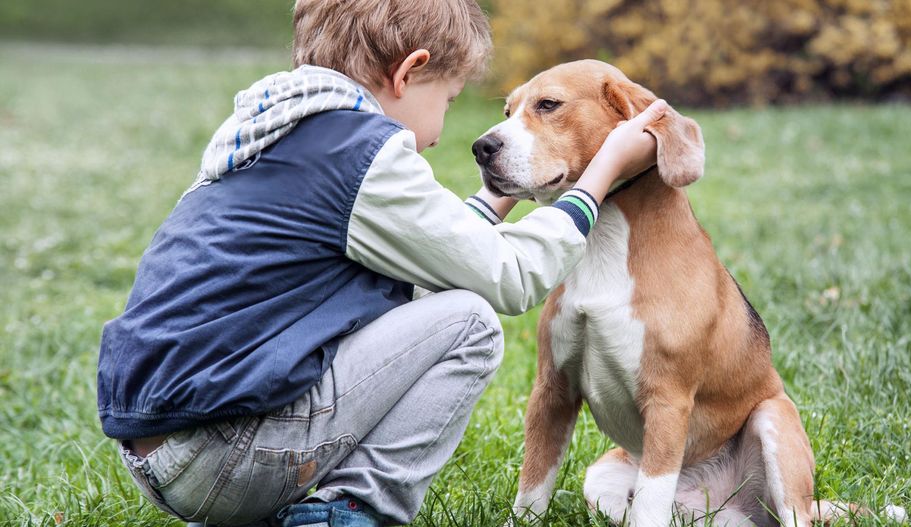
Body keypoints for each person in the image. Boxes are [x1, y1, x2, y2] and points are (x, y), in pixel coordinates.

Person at [97, 1, 667, 525]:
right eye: (447, 99)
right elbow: (512, 277)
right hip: (230, 456)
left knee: (412, 304)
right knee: (469, 323)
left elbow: (432, 260)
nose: (444, 127)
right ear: (407, 73)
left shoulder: (274, 133)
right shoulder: (360, 155)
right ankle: (352, 511)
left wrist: (503, 193)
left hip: (160, 453)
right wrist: (601, 174)